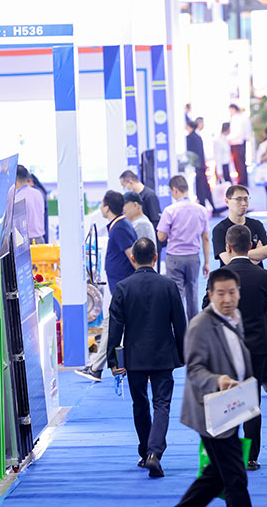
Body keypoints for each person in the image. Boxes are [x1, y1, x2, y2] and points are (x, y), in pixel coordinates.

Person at [106, 238, 186, 477]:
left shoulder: (123, 287)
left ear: (132, 258)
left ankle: (144, 452)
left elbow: (115, 328)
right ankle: (154, 453)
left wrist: (114, 361)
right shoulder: (169, 286)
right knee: (162, 404)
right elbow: (180, 323)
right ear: (155, 257)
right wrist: (182, 354)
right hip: (163, 355)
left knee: (140, 404)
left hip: (135, 357)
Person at [200, 225, 267, 469]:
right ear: (251, 246)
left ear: (228, 247)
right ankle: (251, 457)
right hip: (255, 347)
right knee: (252, 402)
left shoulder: (219, 276)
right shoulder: (263, 276)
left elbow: (206, 309)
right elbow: (264, 306)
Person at [176, 268, 253, 507]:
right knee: (235, 477)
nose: (227, 299)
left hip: (233, 405)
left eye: (232, 292)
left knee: (216, 475)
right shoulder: (200, 325)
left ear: (239, 292)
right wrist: (219, 381)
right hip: (210, 411)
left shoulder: (235, 316)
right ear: (210, 294)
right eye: (220, 293)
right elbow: (194, 370)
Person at [76, 191, 138, 382]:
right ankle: (99, 367)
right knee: (112, 325)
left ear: (107, 208)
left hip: (124, 289)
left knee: (111, 325)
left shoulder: (120, 228)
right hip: (122, 288)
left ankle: (96, 368)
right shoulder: (119, 226)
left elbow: (133, 257)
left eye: (102, 204)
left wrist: (142, 280)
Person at [157, 176, 210, 320]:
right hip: (193, 257)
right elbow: (205, 238)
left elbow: (161, 237)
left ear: (175, 190)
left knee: (177, 294)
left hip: (175, 257)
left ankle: (180, 327)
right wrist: (207, 262)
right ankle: (194, 326)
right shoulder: (201, 210)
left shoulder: (170, 210)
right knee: (192, 293)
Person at [11, 165, 46, 244]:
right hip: (40, 240)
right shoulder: (38, 193)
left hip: (26, 242)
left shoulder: (17, 197)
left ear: (15, 179)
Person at [186, 121, 216, 212]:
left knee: (201, 188)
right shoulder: (197, 137)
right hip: (201, 166)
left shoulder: (190, 138)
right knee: (204, 187)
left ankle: (204, 206)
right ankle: (211, 206)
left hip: (196, 166)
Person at [228, 104, 251, 186]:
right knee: (241, 163)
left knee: (239, 163)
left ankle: (241, 181)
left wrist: (227, 138)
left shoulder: (236, 118)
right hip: (240, 142)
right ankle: (243, 180)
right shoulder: (243, 117)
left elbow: (237, 132)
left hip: (237, 142)